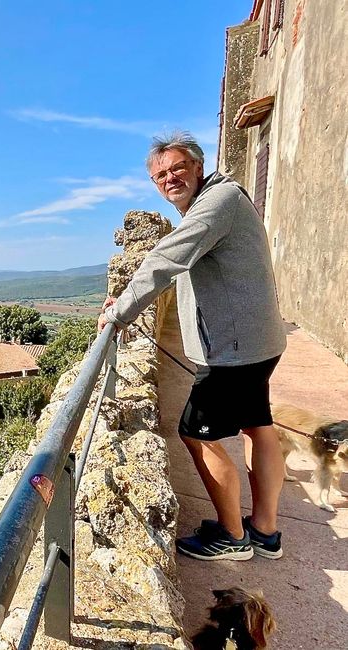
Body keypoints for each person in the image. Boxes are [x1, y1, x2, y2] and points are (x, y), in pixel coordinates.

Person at [98, 131, 287, 561]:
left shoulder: (216, 203)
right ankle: (265, 530)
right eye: (159, 175)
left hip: (233, 350)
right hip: (256, 340)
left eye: (178, 167)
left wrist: (120, 311)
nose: (169, 178)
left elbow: (166, 258)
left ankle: (232, 537)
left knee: (196, 434)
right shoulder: (221, 200)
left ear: (199, 167)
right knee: (258, 425)